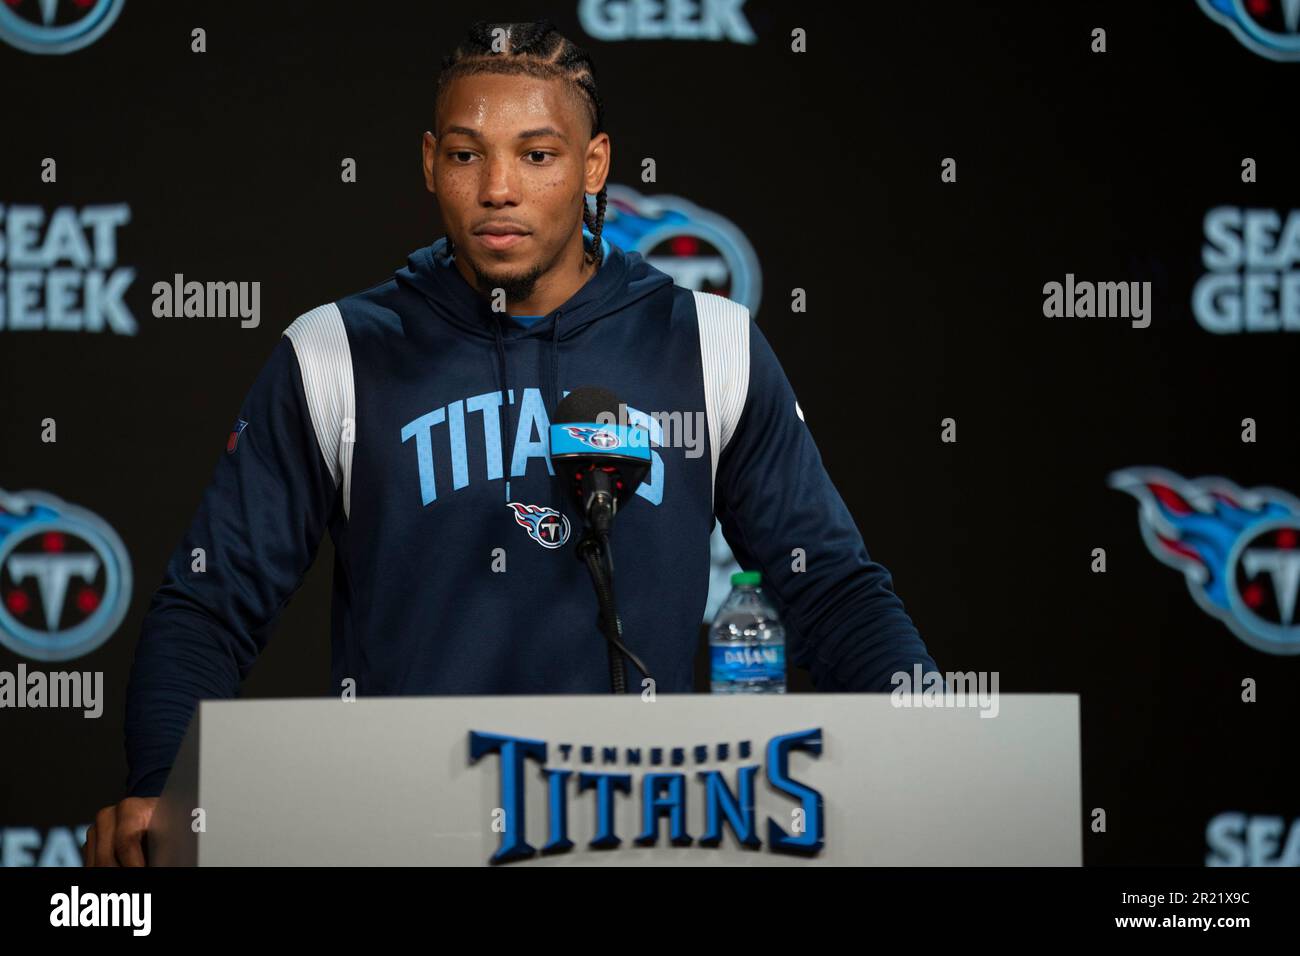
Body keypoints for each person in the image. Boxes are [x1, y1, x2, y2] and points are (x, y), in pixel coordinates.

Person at [83, 19, 939, 867]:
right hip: (401, 836)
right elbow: (209, 602)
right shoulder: (340, 351)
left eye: (537, 154)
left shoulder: (705, 344)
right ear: (428, 163)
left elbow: (827, 588)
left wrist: (938, 743)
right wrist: (161, 780)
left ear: (594, 165)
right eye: (466, 154)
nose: (499, 188)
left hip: (639, 832)